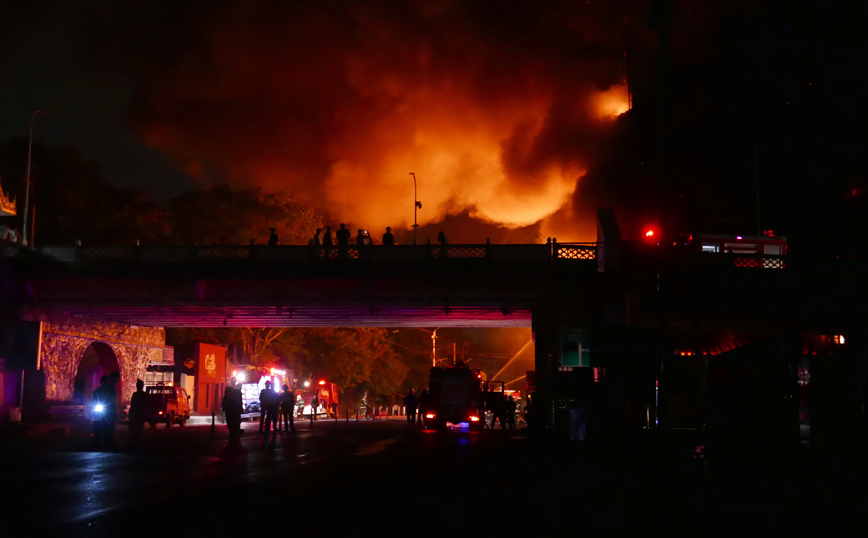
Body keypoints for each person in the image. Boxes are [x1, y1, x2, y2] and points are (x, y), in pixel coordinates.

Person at [91, 375, 116, 449]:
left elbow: (112, 400)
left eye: (106, 381)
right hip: (99, 409)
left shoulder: (111, 391)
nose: (105, 383)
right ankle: (97, 442)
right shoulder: (97, 390)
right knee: (97, 426)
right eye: (104, 381)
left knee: (107, 426)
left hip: (108, 410)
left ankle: (107, 442)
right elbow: (94, 399)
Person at [127, 379, 147, 448]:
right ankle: (134, 442)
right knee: (134, 429)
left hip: (138, 414)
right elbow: (133, 404)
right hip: (137, 414)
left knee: (137, 429)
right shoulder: (137, 394)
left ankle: (135, 443)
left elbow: (144, 405)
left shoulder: (141, 395)